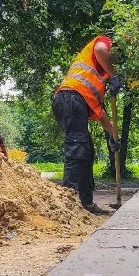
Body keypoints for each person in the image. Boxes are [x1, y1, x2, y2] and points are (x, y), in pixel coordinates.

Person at [51, 34, 122, 214]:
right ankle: (67, 203)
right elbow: (100, 50)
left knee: (87, 151)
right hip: (70, 99)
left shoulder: (98, 77)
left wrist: (114, 135)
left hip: (71, 102)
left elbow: (100, 113)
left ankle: (86, 202)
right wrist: (113, 76)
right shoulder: (104, 42)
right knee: (77, 148)